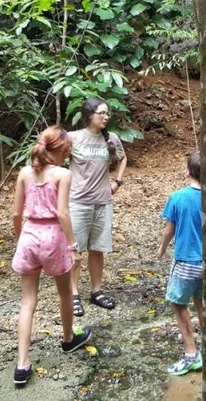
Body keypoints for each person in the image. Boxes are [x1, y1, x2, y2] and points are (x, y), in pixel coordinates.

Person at [11, 125, 92, 388]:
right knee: (65, 292)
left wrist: (20, 239)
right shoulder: (63, 174)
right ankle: (68, 339)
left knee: (27, 302)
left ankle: (22, 364)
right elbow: (62, 213)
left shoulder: (24, 172)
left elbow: (16, 214)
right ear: (63, 151)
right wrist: (73, 247)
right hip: (53, 239)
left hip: (29, 235)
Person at [156, 151, 206, 376]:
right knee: (201, 302)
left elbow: (169, 230)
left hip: (185, 261)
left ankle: (191, 354)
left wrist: (162, 249)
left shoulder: (177, 197)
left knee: (178, 304)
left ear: (188, 172)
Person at [67, 97, 127, 316]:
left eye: (107, 113)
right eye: (101, 113)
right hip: (77, 202)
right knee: (75, 250)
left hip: (102, 202)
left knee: (97, 248)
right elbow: (54, 157)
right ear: (89, 115)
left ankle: (97, 291)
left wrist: (117, 182)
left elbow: (122, 158)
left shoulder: (111, 138)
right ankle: (72, 294)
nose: (105, 117)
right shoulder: (73, 138)